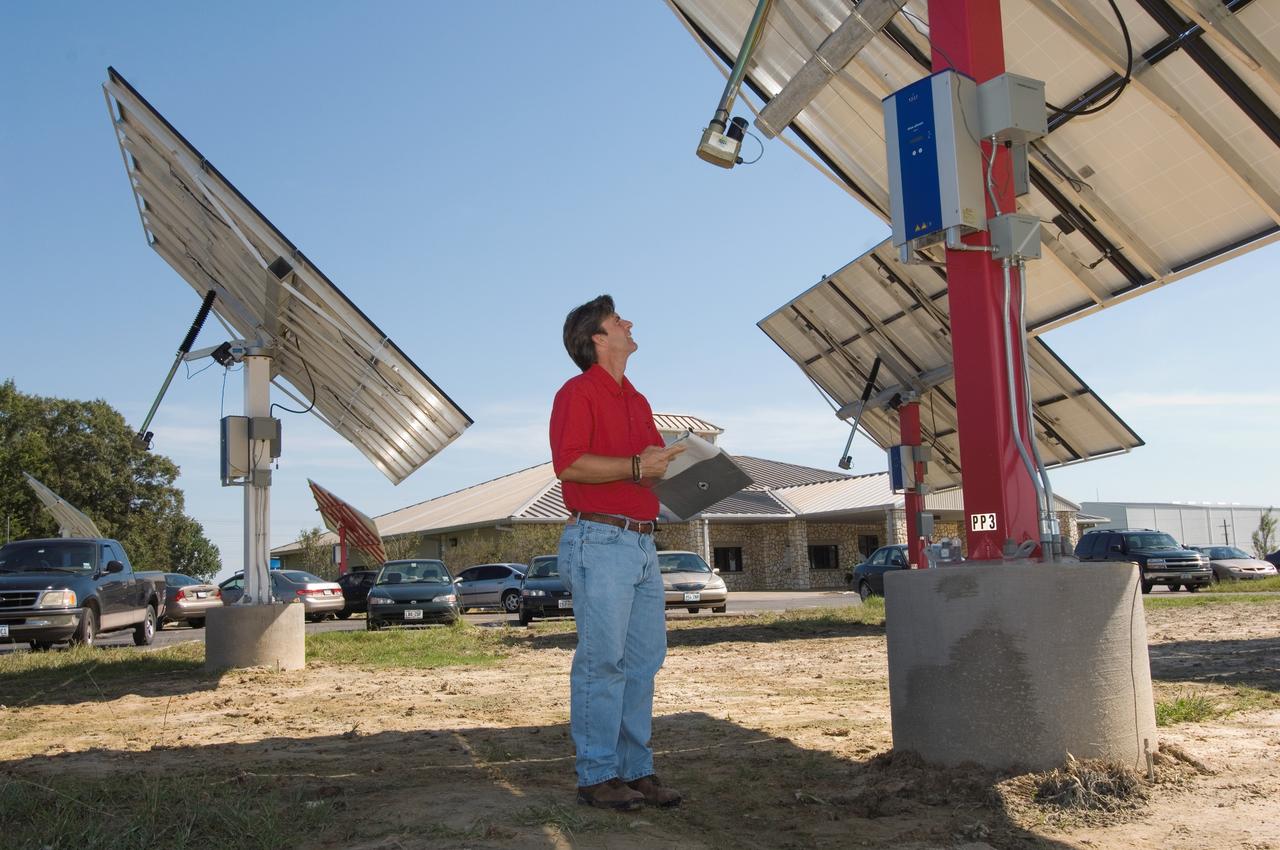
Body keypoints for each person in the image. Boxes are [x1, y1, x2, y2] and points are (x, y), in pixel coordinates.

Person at [549, 294, 686, 811]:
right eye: (615, 320)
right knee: (603, 661)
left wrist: (691, 468)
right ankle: (597, 775)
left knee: (644, 661)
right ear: (597, 339)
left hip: (642, 542)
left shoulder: (638, 399)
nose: (628, 322)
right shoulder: (576, 393)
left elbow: (652, 466)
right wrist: (636, 467)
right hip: (599, 541)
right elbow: (570, 466)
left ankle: (635, 770)